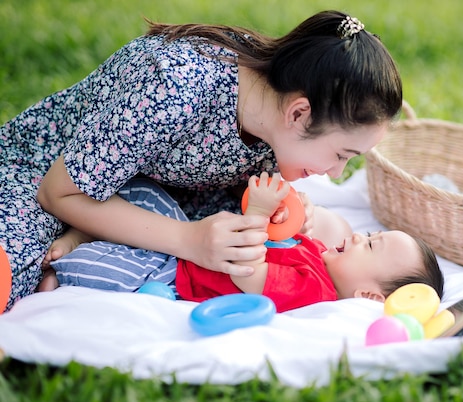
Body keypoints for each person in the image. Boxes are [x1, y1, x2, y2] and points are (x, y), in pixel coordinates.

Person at [0, 10, 403, 311]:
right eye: (340, 156)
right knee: (12, 265)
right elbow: (57, 193)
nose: (335, 173)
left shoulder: (272, 117)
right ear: (298, 113)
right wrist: (187, 241)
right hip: (47, 176)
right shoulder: (176, 86)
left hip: (154, 192)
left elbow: (235, 184)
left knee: (319, 230)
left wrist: (282, 210)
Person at [41, 174, 444, 313]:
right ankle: (86, 227)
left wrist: (257, 213)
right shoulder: (320, 258)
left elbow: (249, 269)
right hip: (188, 239)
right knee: (145, 193)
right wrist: (289, 214)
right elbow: (279, 241)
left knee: (109, 268)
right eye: (371, 234)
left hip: (176, 274)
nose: (360, 235)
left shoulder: (314, 291)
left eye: (370, 246)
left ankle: (65, 269)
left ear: (369, 296)